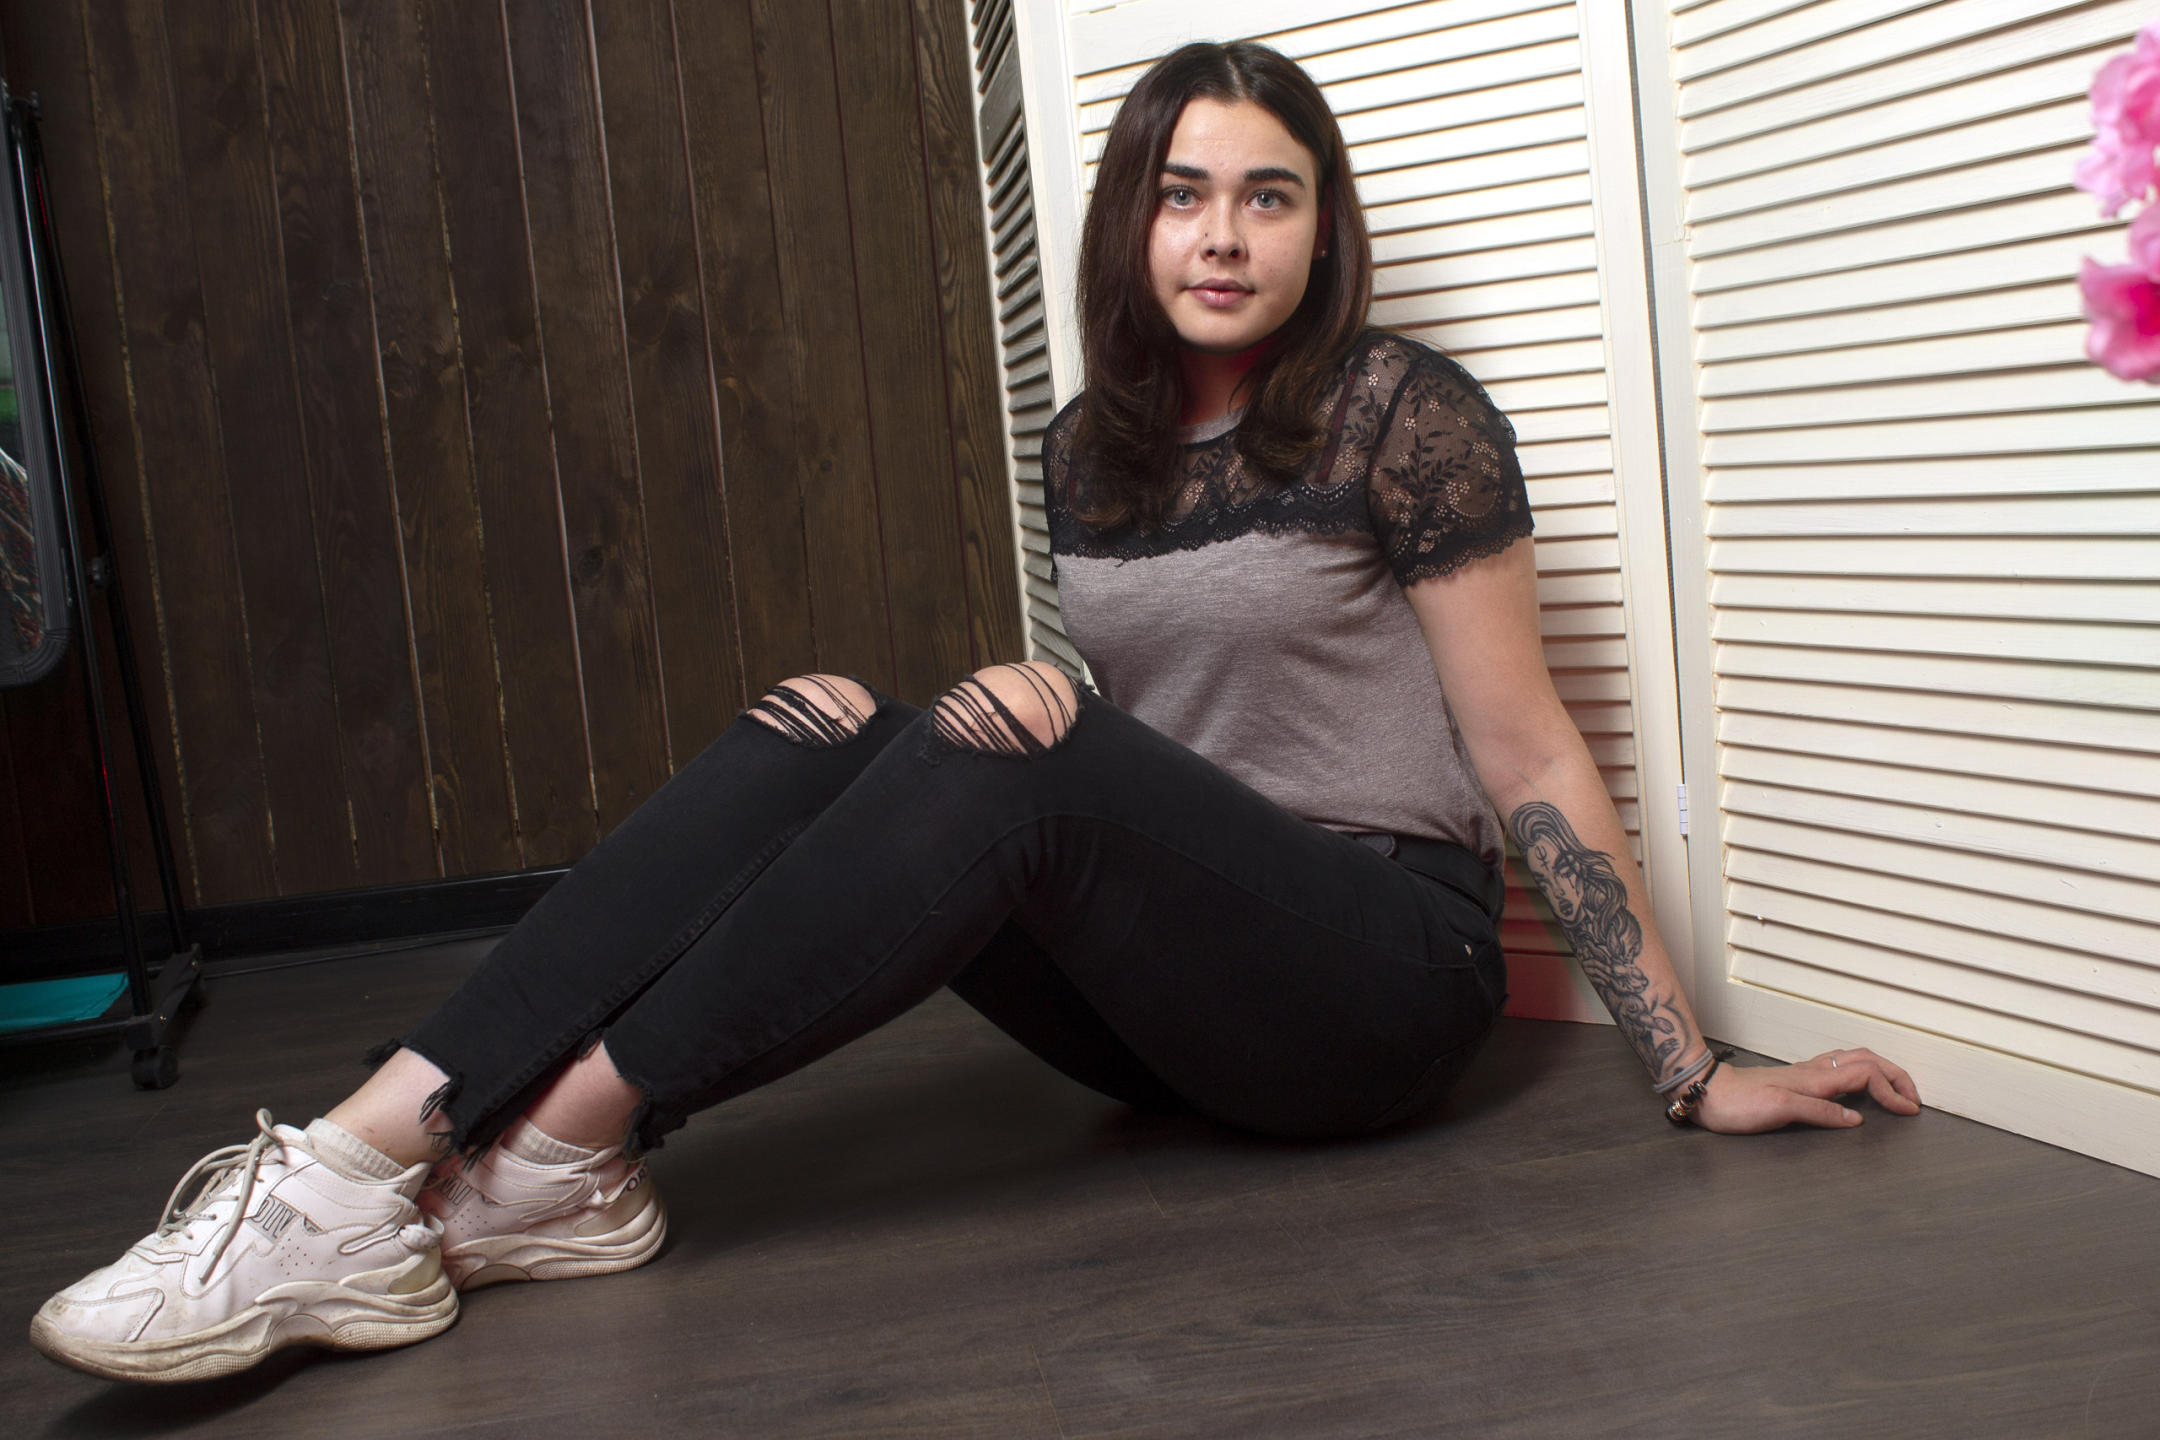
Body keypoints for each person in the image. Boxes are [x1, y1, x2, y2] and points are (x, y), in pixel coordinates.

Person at [29, 40, 1921, 1386]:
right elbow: (1158, 755)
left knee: (1019, 740)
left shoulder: (1400, 414)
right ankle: (376, 1144)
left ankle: (544, 1156)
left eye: (1269, 196)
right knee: (834, 716)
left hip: (1374, 983)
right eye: (1183, 192)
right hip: (1174, 1009)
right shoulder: (1091, 451)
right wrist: (993, 723)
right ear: (1132, 224)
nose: (1224, 234)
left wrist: (1693, 1068)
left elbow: (1525, 751)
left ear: (1319, 228)